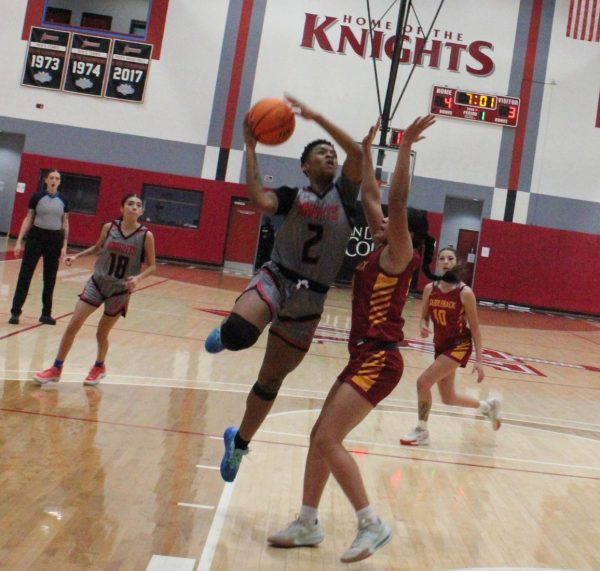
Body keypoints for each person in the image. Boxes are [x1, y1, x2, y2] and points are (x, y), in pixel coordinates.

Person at [267, 115, 436, 564]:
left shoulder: (400, 254)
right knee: (318, 437)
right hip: (362, 357)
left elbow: (395, 201)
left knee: (327, 439)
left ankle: (371, 523)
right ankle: (306, 521)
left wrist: (403, 149)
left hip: (379, 359)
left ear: (405, 234)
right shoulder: (381, 247)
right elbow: (371, 195)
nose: (377, 219)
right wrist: (364, 149)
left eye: (388, 220)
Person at [204, 94, 363, 483]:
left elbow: (357, 152)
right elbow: (258, 198)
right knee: (241, 334)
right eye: (321, 153)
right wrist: (251, 146)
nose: (330, 156)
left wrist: (319, 117)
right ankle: (227, 332)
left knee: (270, 380)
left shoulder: (345, 195)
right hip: (279, 277)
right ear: (305, 166)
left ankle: (238, 443)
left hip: (312, 299)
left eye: (332, 154)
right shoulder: (294, 195)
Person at [33, 194, 156, 386]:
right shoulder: (110, 228)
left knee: (101, 333)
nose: (134, 207)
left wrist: (138, 278)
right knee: (73, 324)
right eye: (130, 203)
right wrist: (76, 257)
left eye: (138, 205)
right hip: (97, 283)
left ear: (141, 211)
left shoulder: (146, 236)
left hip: (120, 290)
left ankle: (99, 366)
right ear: (121, 208)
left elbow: (152, 266)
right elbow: (97, 248)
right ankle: (56, 368)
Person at [400, 246, 501, 446]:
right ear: (438, 263)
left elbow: (476, 330)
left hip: (459, 345)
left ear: (456, 263)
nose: (445, 262)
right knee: (448, 397)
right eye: (442, 258)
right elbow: (424, 318)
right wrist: (423, 327)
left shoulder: (465, 293)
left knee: (422, 383)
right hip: (441, 345)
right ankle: (487, 407)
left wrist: (480, 361)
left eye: (450, 258)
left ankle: (422, 431)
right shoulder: (430, 289)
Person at [9, 169, 69, 325]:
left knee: (50, 278)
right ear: (46, 180)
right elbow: (29, 218)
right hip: (36, 237)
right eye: (51, 178)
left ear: (60, 181)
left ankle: (46, 314)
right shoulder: (37, 197)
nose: (54, 180)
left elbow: (65, 223)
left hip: (54, 239)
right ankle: (15, 312)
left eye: (57, 178)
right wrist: (19, 241)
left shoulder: (63, 200)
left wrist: (64, 245)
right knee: (25, 275)